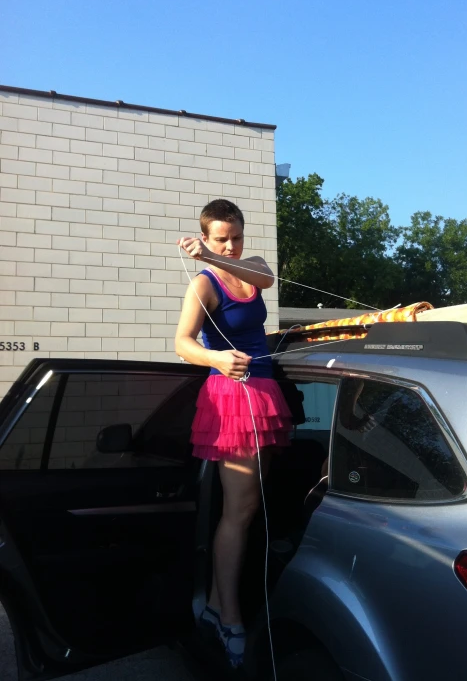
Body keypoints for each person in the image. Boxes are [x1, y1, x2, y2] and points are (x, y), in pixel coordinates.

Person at [174, 199, 292, 669]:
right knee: (239, 510)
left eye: (235, 236)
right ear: (205, 236)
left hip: (263, 393)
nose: (230, 244)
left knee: (251, 508)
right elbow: (182, 343)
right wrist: (217, 359)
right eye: (220, 238)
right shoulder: (204, 283)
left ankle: (221, 604)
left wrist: (213, 255)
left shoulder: (253, 267)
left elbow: (265, 280)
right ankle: (229, 615)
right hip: (231, 397)